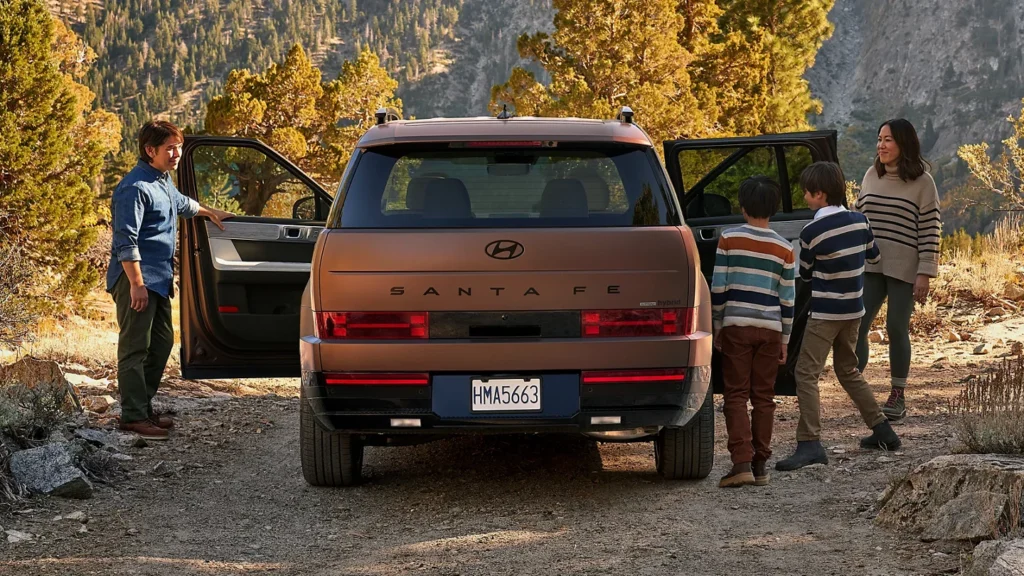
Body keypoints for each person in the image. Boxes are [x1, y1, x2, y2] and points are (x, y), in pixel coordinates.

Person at [107, 120, 233, 440]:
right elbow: (126, 242)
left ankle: (141, 406)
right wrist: (136, 284)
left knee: (161, 343)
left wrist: (210, 212)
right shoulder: (134, 188)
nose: (177, 154)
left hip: (159, 280)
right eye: (170, 148)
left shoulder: (162, 181)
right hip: (136, 280)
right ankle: (133, 415)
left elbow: (182, 204)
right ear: (150, 150)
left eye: (179, 147)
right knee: (135, 349)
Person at [776, 162, 901, 472]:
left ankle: (810, 443)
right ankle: (882, 429)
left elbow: (805, 273)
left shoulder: (811, 231)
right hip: (854, 311)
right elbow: (874, 256)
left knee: (806, 373)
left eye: (807, 193)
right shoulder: (860, 221)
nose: (804, 197)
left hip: (825, 314)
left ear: (819, 194)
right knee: (848, 370)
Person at [711, 176, 795, 488]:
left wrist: (718, 325)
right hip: (771, 330)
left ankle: (741, 463)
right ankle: (760, 465)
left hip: (737, 327)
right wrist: (785, 339)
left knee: (735, 394)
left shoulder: (728, 238)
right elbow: (788, 300)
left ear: (743, 207)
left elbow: (719, 288)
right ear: (773, 209)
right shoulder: (785, 248)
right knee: (764, 396)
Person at [855, 118, 941, 421]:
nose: (881, 145)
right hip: (870, 265)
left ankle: (897, 394)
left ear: (903, 143)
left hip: (905, 268)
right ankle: (858, 389)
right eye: (879, 139)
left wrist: (925, 272)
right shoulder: (871, 175)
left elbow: (930, 229)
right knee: (857, 326)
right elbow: (859, 217)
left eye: (888, 139)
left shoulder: (923, 183)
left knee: (895, 327)